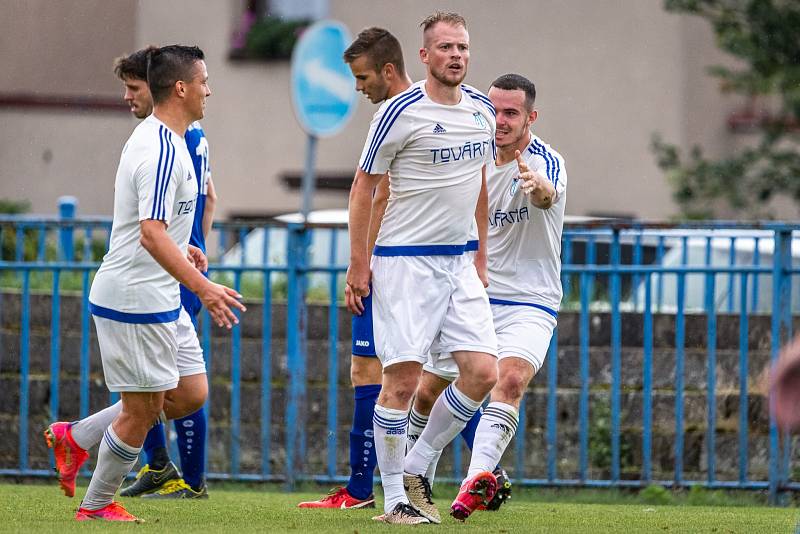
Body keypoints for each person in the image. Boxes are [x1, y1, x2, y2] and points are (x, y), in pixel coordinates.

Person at [45, 45, 244, 522]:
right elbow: (149, 232)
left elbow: (162, 229)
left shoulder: (175, 140)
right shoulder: (158, 147)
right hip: (135, 295)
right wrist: (203, 286)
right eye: (203, 82)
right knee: (142, 408)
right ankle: (96, 506)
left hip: (157, 295)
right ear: (181, 88)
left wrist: (187, 245)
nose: (208, 90)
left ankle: (77, 437)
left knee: (189, 392)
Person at [346, 12, 498, 525]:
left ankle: (416, 463)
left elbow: (477, 181)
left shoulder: (481, 109)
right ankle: (393, 501)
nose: (457, 55)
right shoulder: (398, 112)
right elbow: (365, 186)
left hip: (459, 262)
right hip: (405, 263)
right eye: (446, 47)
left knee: (482, 373)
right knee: (403, 384)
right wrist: (358, 265)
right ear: (425, 56)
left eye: (463, 46)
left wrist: (480, 253)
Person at [297, 27, 411, 510]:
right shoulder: (421, 110)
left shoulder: (397, 114)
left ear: (388, 70)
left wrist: (359, 266)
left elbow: (370, 191)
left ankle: (477, 474)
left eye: (363, 77)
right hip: (400, 264)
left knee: (426, 377)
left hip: (400, 266)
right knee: (371, 369)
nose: (358, 88)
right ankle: (363, 488)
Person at [447, 72, 565, 520]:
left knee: (510, 379)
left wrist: (538, 188)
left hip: (531, 300)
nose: (500, 121)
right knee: (426, 387)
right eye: (493, 110)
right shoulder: (470, 162)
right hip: (474, 295)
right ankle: (416, 480)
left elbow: (547, 194)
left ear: (530, 117)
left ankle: (472, 484)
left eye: (511, 113)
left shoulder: (545, 161)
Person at [105, 46, 218, 500]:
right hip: (168, 272)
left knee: (170, 388)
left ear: (165, 90)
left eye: (134, 88)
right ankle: (162, 470)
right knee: (158, 389)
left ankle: (183, 476)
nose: (129, 97)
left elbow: (156, 228)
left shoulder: (177, 140)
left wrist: (190, 257)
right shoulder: (172, 139)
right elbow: (208, 198)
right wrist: (195, 242)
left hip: (169, 275)